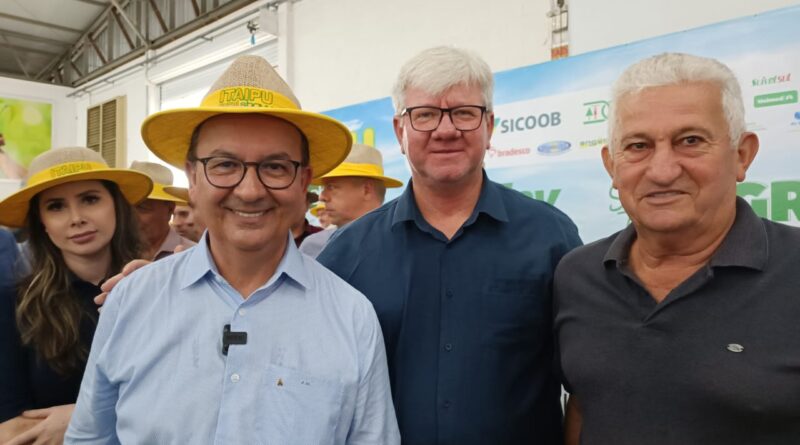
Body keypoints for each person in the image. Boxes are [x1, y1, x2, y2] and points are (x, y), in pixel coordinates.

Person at [66, 55, 399, 444]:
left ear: (303, 181)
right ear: (192, 177)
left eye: (275, 167)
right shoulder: (132, 301)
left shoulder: (352, 317)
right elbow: (90, 438)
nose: (250, 190)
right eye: (224, 164)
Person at [317, 46, 581, 444]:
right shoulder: (346, 254)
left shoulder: (550, 237)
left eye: (464, 112)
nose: (445, 130)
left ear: (489, 126)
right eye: (424, 114)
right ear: (399, 131)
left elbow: (587, 380)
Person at [554, 53, 800, 445]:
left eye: (690, 141)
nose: (663, 170)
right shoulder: (577, 275)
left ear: (742, 154)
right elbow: (584, 405)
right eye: (638, 145)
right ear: (612, 166)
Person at [0, 147, 151, 445]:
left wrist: (81, 416)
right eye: (56, 206)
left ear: (115, 206)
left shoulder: (155, 289)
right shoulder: (13, 305)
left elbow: (191, 401)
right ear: (42, 222)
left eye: (90, 199)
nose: (77, 218)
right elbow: (10, 429)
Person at [300, 143, 402, 258]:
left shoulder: (406, 243)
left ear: (366, 190)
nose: (322, 197)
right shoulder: (314, 246)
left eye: (331, 187)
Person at [129, 160, 195, 259]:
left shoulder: (193, 256)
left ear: (169, 209)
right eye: (127, 208)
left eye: (142, 208)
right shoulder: (113, 255)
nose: (131, 217)